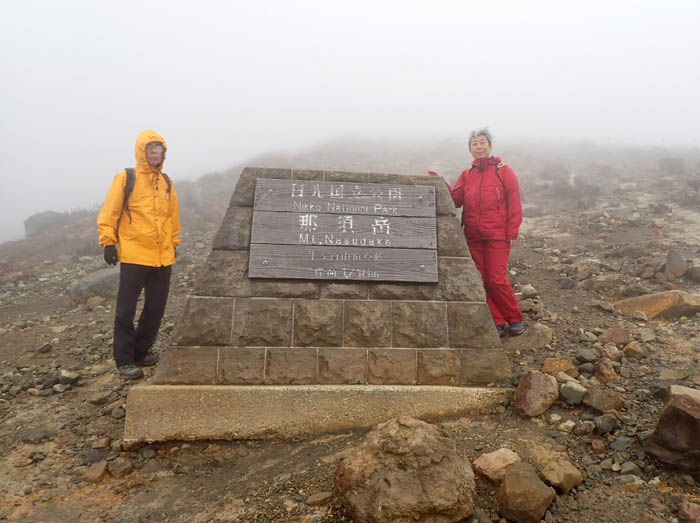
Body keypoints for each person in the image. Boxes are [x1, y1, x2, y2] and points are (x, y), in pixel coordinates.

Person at [97, 129, 181, 379]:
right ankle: (124, 360)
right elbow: (109, 213)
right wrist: (108, 242)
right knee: (126, 310)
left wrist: (174, 242)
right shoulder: (126, 178)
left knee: (155, 309)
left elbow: (172, 217)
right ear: (142, 151)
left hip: (162, 256)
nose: (155, 153)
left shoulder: (166, 182)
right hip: (134, 255)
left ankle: (141, 352)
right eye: (151, 148)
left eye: (159, 149)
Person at [429, 129, 525, 337]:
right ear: (470, 148)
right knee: (480, 279)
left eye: (482, 142)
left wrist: (511, 231)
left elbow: (514, 201)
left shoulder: (503, 171)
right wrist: (441, 182)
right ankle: (497, 321)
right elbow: (455, 200)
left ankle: (515, 318)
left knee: (496, 279)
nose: (479, 147)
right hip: (473, 235)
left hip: (497, 235)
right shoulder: (467, 174)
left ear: (490, 146)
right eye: (474, 143)